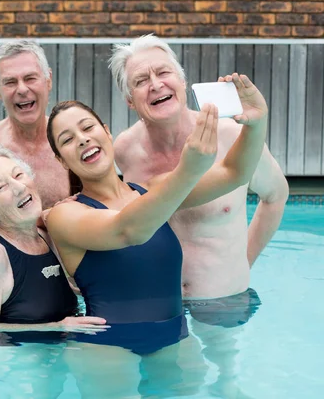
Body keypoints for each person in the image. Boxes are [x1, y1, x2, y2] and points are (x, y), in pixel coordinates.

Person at [44, 72, 268, 395]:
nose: (82, 139)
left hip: (174, 339)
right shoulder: (65, 215)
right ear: (60, 158)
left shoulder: (152, 191)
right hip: (107, 348)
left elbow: (235, 173)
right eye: (67, 139)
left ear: (107, 131)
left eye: (88, 127)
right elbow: (127, 230)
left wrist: (257, 123)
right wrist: (189, 170)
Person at [110, 35, 288, 302]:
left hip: (224, 300)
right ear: (129, 100)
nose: (156, 84)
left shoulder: (231, 137)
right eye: (141, 81)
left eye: (163, 72)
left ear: (182, 81)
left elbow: (276, 196)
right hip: (157, 304)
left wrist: (243, 263)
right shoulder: (125, 150)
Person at [0, 143, 106, 334]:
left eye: (18, 175)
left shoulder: (45, 237)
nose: (19, 187)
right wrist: (55, 328)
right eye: (1, 187)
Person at [0, 40, 69, 209]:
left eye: (30, 78)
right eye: (10, 82)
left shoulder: (71, 140)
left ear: (48, 80)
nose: (22, 89)